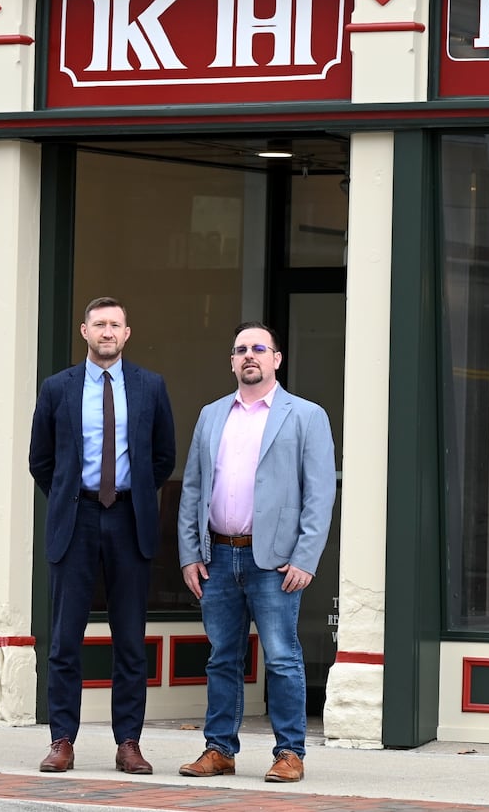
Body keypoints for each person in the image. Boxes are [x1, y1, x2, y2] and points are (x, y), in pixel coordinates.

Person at [175, 322, 335, 784]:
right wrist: (190, 553)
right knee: (222, 656)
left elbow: (319, 494)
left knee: (282, 656)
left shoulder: (305, 416)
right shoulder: (211, 415)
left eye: (259, 349)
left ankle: (289, 753)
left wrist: (306, 556)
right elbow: (192, 489)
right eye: (241, 349)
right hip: (218, 557)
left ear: (276, 359)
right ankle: (219, 749)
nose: (250, 356)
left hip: (275, 561)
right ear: (231, 361)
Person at [28, 297, 176, 776]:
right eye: (99, 325)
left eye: (115, 324)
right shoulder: (57, 388)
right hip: (77, 520)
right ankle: (62, 740)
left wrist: (129, 497)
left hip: (129, 521)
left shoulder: (151, 387)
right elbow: (41, 460)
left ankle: (128, 743)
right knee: (64, 640)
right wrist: (74, 496)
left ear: (127, 333)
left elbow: (163, 457)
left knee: (130, 641)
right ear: (84, 331)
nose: (107, 332)